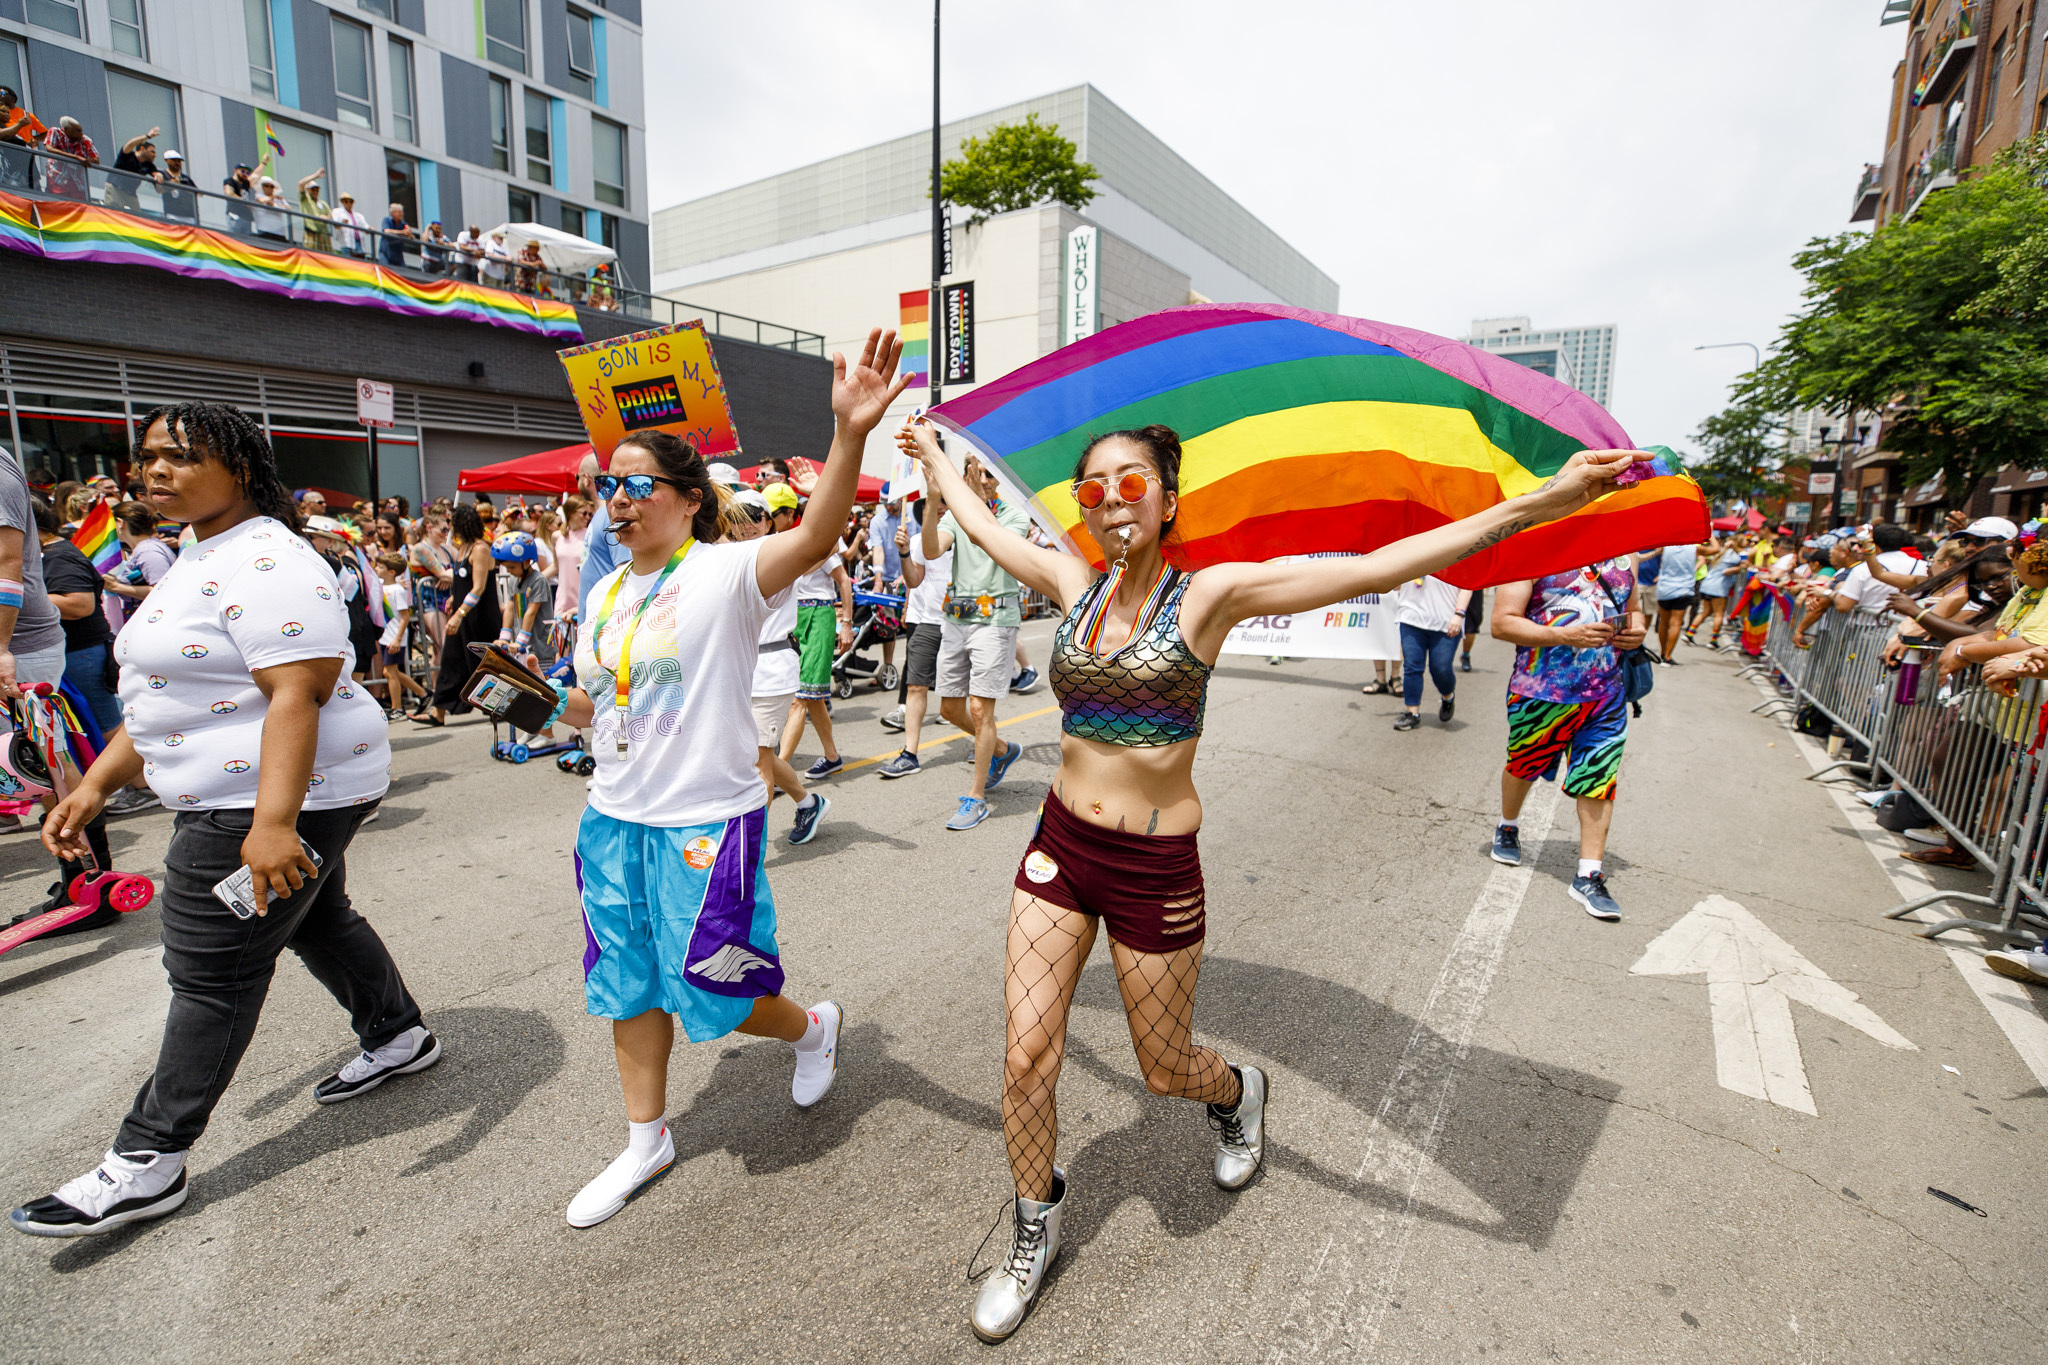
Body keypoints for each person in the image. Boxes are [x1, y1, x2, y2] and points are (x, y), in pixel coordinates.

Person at [902, 418, 1647, 1342]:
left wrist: (1544, 500)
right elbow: (986, 525)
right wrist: (935, 460)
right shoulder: (1072, 583)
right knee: (1024, 1056)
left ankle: (1236, 1093)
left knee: (1166, 1067)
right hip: (1060, 850)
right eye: (1091, 490)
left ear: (1170, 501)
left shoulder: (1209, 595)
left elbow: (1379, 567)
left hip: (1154, 866)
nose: (1107, 503)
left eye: (1129, 484)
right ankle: (1033, 1220)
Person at [7, 403, 438, 1239]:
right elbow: (174, 696)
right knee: (319, 920)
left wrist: (273, 824)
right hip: (262, 791)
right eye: (149, 457)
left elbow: (295, 692)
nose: (155, 471)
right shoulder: (202, 552)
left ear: (240, 466)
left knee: (211, 969)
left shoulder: (271, 558)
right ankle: (397, 1034)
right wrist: (94, 786)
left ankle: (147, 1160)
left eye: (180, 455)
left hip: (270, 798)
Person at [546, 327, 908, 1230]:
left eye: (637, 485)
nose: (617, 500)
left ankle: (810, 1027)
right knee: (627, 983)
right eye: (608, 486)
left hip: (706, 818)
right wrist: (552, 708)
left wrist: (850, 432)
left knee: (717, 983)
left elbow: (821, 530)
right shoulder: (603, 594)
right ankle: (645, 1142)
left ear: (688, 498)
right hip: (613, 815)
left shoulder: (727, 572)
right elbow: (606, 704)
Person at [1489, 556, 1645, 922]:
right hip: (1540, 692)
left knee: (1600, 780)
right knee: (1523, 767)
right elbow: (1501, 622)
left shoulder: (1627, 552)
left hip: (1605, 694)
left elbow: (1634, 610)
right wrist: (1563, 635)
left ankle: (1589, 874)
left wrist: (1636, 631)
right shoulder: (1535, 545)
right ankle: (1508, 825)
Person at [0, 445, 114, 925]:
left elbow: (6, 569)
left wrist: (0, 647)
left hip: (20, 646)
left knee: (51, 769)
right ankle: (82, 879)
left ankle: (91, 883)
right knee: (47, 769)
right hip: (18, 644)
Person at [918, 450, 1033, 831]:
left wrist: (974, 500)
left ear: (1001, 481)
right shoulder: (955, 513)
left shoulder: (1015, 515)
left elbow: (990, 542)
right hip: (956, 619)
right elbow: (932, 551)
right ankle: (1001, 750)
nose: (982, 478)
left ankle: (977, 796)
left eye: (989, 474)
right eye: (977, 472)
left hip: (996, 622)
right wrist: (936, 499)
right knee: (950, 710)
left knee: (982, 711)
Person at [732, 492, 828, 842]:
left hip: (772, 667)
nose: (745, 524)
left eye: (753, 515)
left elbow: (825, 542)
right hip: (736, 667)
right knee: (756, 754)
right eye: (737, 516)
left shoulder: (784, 552)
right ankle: (807, 802)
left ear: (767, 520)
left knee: (758, 760)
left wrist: (816, 492)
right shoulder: (724, 556)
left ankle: (747, 851)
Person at [776, 493, 853, 780]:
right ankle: (832, 757)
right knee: (813, 695)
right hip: (796, 618)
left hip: (820, 615)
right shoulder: (793, 540)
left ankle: (779, 770)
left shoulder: (822, 543)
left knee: (800, 698)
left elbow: (844, 582)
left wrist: (846, 623)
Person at [877, 504, 951, 779]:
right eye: (935, 509)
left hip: (960, 621)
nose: (941, 512)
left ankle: (983, 743)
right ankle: (910, 753)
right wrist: (905, 551)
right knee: (916, 686)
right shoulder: (918, 541)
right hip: (926, 621)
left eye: (945, 508)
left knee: (965, 691)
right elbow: (913, 580)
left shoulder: (966, 541)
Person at [417, 503, 498, 725]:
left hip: (479, 617)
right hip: (464, 615)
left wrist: (459, 613)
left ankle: (497, 706)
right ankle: (438, 711)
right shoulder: (463, 548)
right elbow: (463, 581)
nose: (449, 527)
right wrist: (454, 597)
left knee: (483, 664)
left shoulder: (480, 549)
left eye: (452, 522)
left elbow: (479, 587)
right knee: (451, 659)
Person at [1391, 574, 1469, 731]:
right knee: (1412, 665)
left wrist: (1459, 613)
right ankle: (1412, 713)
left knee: (1440, 668)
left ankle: (1448, 696)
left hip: (1445, 620)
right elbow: (1395, 586)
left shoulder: (1454, 553)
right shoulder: (1409, 552)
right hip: (1411, 617)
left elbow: (1468, 585)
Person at [370, 552, 428, 718]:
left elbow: (405, 617)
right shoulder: (381, 585)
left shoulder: (397, 590)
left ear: (391, 572)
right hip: (385, 635)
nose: (377, 569)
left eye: (381, 567)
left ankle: (398, 708)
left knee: (390, 672)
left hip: (395, 636)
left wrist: (397, 638)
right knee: (389, 672)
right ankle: (423, 693)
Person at [1653, 538, 1701, 664]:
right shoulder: (1694, 548)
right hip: (1683, 589)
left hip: (1665, 588)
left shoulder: (1665, 546)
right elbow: (1715, 549)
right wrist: (1710, 532)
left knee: (1664, 622)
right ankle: (1667, 656)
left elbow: (1654, 552)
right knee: (1676, 623)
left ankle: (1662, 652)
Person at [104, 127, 162, 212]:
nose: (154, 155)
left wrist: (159, 175)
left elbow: (155, 173)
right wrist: (147, 136)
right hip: (116, 188)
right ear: (142, 149)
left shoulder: (149, 165)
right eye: (152, 151)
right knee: (113, 213)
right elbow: (130, 144)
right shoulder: (128, 155)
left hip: (131, 193)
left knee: (137, 216)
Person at [0, 86, 46, 190]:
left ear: (12, 97)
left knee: (33, 194)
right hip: (10, 163)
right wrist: (19, 125)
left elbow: (45, 133)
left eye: (2, 93)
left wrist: (33, 139)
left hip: (25, 159)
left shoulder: (25, 114)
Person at [42, 116, 97, 200]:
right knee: (57, 206)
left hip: (76, 183)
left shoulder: (85, 140)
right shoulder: (55, 132)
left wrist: (85, 161)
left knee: (80, 208)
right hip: (57, 178)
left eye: (81, 130)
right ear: (67, 129)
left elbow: (96, 160)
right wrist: (76, 158)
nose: (81, 133)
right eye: (77, 130)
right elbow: (49, 148)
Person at [157, 149, 197, 222]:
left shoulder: (185, 178)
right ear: (167, 161)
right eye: (174, 160)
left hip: (189, 215)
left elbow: (197, 193)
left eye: (179, 161)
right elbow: (159, 189)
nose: (177, 163)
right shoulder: (163, 174)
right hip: (173, 214)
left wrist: (184, 187)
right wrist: (171, 185)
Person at [297, 169, 332, 253]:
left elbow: (330, 215)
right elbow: (301, 183)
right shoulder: (305, 199)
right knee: (310, 255)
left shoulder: (323, 204)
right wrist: (316, 175)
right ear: (308, 190)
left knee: (326, 258)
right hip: (311, 233)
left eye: (317, 190)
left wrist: (326, 217)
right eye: (313, 189)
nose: (315, 192)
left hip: (324, 235)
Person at [330, 192, 371, 257]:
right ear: (342, 202)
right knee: (348, 263)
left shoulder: (358, 215)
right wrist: (342, 223)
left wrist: (370, 228)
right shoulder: (337, 212)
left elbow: (366, 227)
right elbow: (336, 225)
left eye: (351, 202)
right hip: (347, 243)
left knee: (360, 262)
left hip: (358, 243)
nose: (349, 204)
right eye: (346, 201)